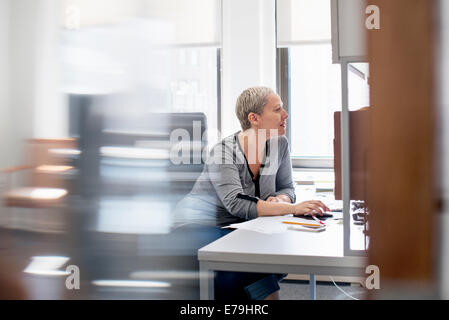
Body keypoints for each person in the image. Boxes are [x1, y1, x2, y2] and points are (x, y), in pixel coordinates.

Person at [174, 86, 329, 300]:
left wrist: (280, 199)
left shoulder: (279, 144)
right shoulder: (223, 152)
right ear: (254, 118)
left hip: (239, 225)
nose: (286, 115)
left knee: (270, 253)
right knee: (253, 262)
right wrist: (291, 208)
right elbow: (237, 203)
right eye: (277, 109)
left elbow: (288, 188)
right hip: (197, 226)